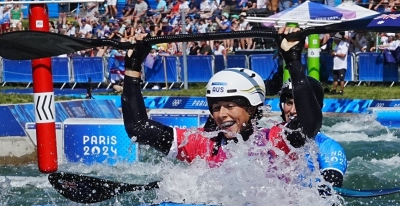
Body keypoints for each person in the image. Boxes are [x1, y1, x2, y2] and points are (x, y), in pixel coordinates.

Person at [120, 27, 321, 169]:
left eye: (230, 105)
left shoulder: (274, 141)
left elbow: (309, 126)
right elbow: (138, 129)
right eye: (216, 107)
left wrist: (293, 62)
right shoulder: (201, 143)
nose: (222, 114)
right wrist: (133, 68)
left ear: (252, 108)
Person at [279, 79, 347, 188]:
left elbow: (331, 193)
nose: (292, 110)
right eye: (289, 103)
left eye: (301, 104)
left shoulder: (328, 147)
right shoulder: (270, 136)